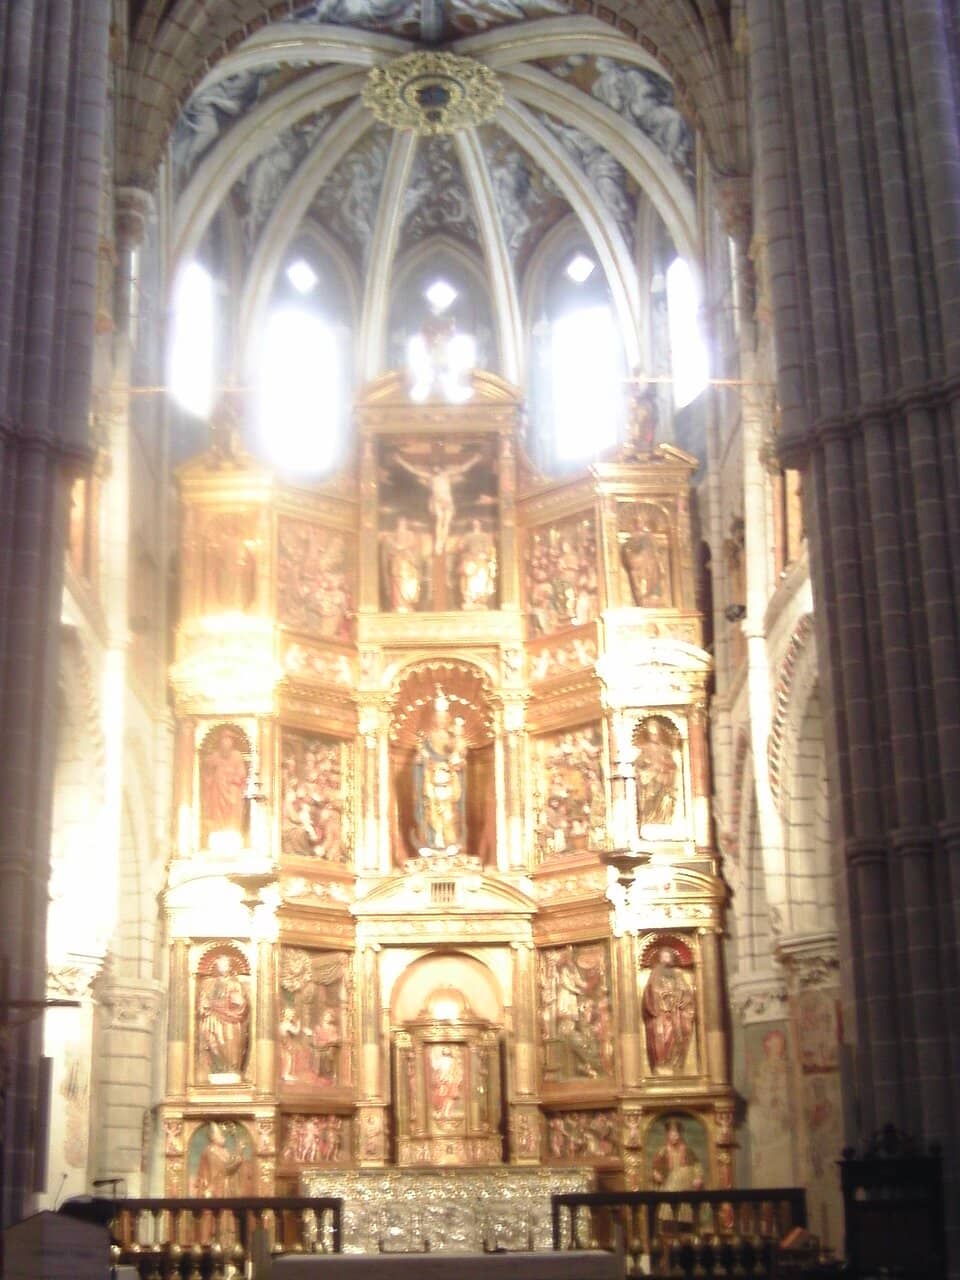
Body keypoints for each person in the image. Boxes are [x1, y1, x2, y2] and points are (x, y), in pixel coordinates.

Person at [394, 450, 481, 555]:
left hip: (447, 501)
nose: (435, 468)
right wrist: (400, 461)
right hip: (437, 501)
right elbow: (413, 470)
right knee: (439, 521)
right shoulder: (430, 477)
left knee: (447, 522)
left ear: (440, 467)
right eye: (433, 466)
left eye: (437, 466)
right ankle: (438, 543)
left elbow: (462, 468)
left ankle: (443, 541)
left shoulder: (447, 475)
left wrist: (475, 460)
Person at [412, 691, 467, 855]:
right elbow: (420, 758)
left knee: (450, 813)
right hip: (432, 779)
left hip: (449, 781)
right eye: (438, 718)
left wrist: (457, 760)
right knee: (431, 812)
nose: (441, 721)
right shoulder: (428, 738)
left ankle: (450, 842)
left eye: (444, 718)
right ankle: (433, 841)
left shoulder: (453, 739)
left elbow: (459, 757)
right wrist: (422, 759)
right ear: (434, 720)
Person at [197, 952, 251, 1078]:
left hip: (230, 1022)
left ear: (229, 967)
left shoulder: (235, 983)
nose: (222, 966)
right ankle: (216, 1070)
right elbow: (202, 1003)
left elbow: (241, 1005)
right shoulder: (208, 983)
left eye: (225, 964)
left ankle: (231, 1070)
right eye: (220, 964)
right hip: (212, 1020)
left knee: (229, 1046)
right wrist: (203, 1006)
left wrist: (217, 1005)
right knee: (212, 1044)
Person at [643, 947, 695, 1072]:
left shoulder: (678, 975)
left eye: (668, 956)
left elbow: (686, 992)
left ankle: (674, 1064)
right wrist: (663, 997)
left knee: (676, 1036)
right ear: (660, 959)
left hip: (676, 1013)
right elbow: (650, 992)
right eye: (664, 956)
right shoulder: (655, 974)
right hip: (660, 1014)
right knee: (661, 1036)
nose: (666, 959)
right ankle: (661, 1064)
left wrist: (683, 1000)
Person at [200, 728, 248, 837]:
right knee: (215, 806)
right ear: (220, 744)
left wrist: (233, 777)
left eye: (228, 742)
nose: (226, 744)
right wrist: (212, 768)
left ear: (232, 744)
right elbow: (207, 768)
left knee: (235, 801)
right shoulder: (215, 755)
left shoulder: (237, 755)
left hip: (232, 787)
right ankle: (218, 827)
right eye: (224, 742)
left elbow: (242, 772)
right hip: (218, 789)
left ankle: (233, 827)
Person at [635, 718, 678, 828]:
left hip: (663, 781)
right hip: (648, 783)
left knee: (664, 800)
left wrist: (662, 767)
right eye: (651, 734)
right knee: (648, 802)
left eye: (655, 733)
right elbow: (637, 764)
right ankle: (647, 820)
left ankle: (661, 821)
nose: (654, 736)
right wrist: (648, 769)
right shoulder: (644, 748)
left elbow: (673, 765)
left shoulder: (665, 748)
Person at [382, 515, 423, 611]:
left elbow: (414, 549)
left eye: (403, 522)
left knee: (407, 584)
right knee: (397, 583)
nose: (401, 524)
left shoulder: (410, 535)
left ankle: (407, 604)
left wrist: (406, 551)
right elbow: (390, 550)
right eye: (400, 522)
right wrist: (395, 548)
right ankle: (398, 604)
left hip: (408, 565)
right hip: (398, 565)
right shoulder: (392, 536)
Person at [456, 518, 497, 610]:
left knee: (481, 579)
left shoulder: (485, 536)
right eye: (474, 524)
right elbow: (461, 547)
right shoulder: (467, 536)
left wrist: (485, 554)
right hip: (470, 560)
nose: (476, 525)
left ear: (480, 525)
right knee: (469, 580)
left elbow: (490, 548)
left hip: (481, 560)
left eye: (477, 524)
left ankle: (480, 600)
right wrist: (462, 547)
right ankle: (469, 599)